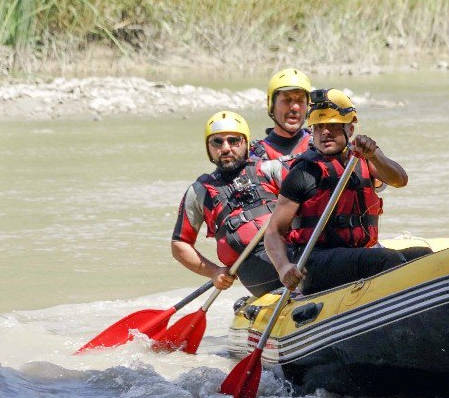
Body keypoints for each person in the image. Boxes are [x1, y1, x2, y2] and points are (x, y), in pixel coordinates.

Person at [264, 88, 412, 295]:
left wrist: (375, 154)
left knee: (423, 255)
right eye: (319, 127)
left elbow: (400, 180)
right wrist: (283, 267)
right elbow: (272, 233)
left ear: (350, 129)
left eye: (333, 126)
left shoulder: (364, 159)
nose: (325, 132)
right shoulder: (303, 172)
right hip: (315, 263)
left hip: (358, 254)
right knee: (390, 260)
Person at [172, 111, 287, 297]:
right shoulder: (199, 192)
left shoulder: (270, 169)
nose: (225, 148)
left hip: (291, 251)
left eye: (234, 141)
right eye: (217, 142)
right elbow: (180, 244)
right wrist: (214, 272)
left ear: (246, 143)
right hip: (254, 268)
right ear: (208, 147)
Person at [249, 68, 313, 163]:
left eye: (300, 100)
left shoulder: (319, 146)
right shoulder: (256, 155)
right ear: (272, 105)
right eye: (287, 99)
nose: (295, 107)